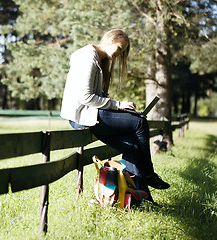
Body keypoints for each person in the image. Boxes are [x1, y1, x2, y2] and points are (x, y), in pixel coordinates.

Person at [60, 29, 170, 204]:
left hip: (92, 113)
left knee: (132, 146)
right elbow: (85, 98)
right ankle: (148, 174)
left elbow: (97, 99)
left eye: (123, 51)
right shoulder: (88, 58)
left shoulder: (100, 60)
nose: (119, 53)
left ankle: (143, 199)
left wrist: (119, 109)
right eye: (120, 48)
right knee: (140, 123)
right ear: (111, 39)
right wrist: (118, 105)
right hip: (82, 116)